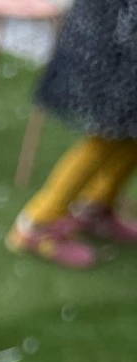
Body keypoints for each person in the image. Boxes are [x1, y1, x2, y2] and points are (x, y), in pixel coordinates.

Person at [8, 0, 137, 268]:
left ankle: (95, 207)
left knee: (128, 135)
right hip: (116, 42)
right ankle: (37, 224)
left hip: (121, 37)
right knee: (109, 135)